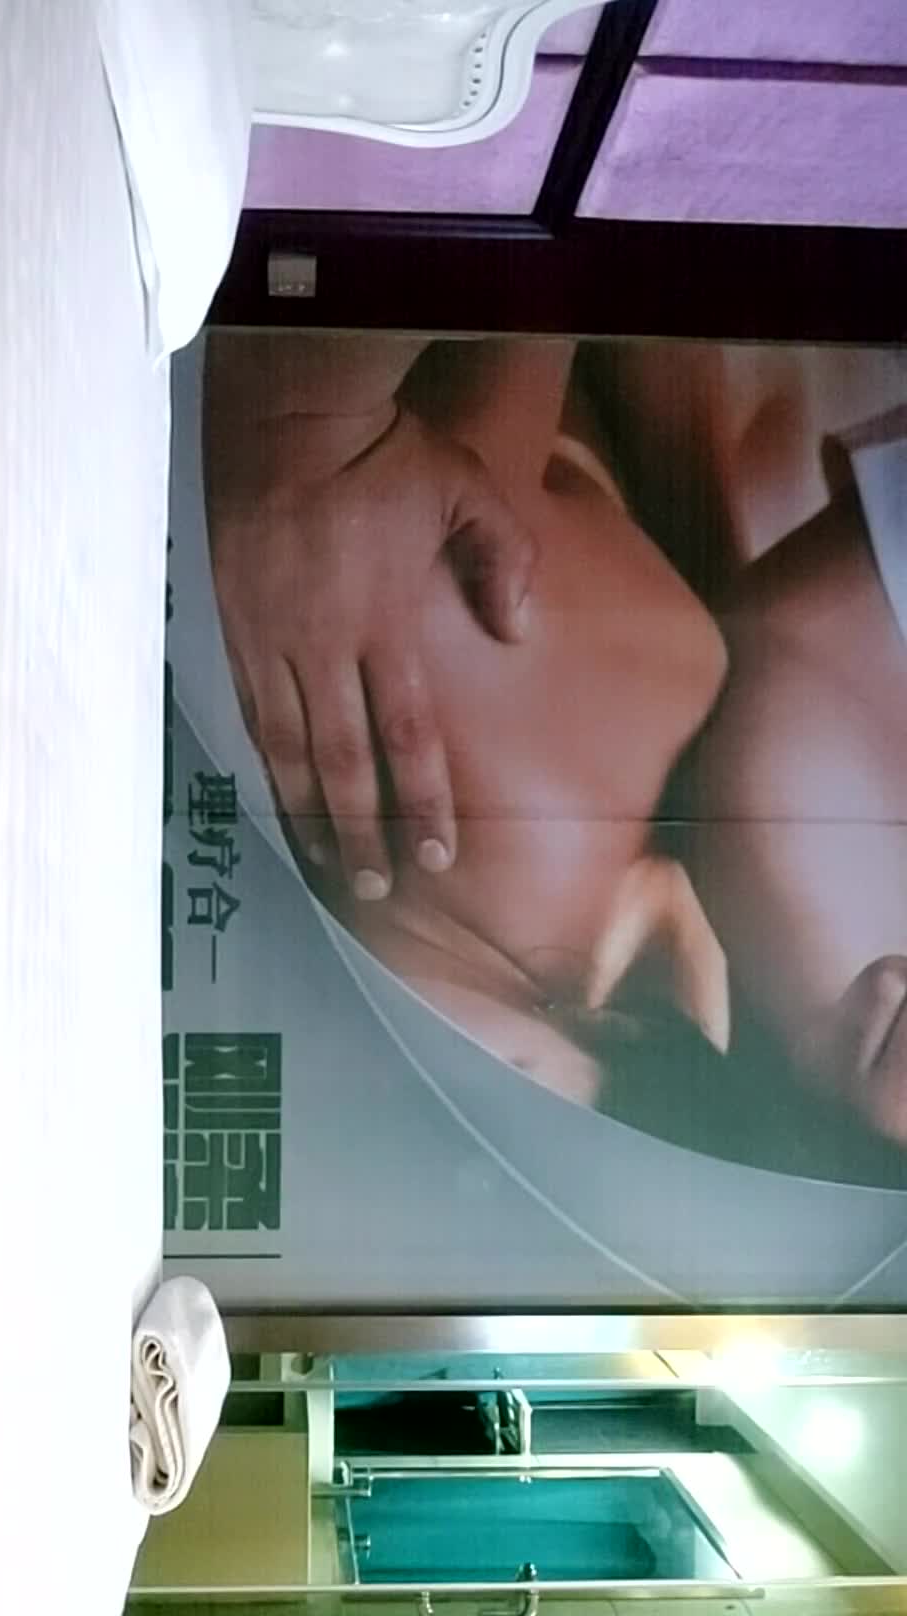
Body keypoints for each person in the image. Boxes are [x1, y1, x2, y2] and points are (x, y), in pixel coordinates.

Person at [203, 332, 907, 1172]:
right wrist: (309, 431)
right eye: (500, 1101)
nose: (414, 1092)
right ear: (604, 1036)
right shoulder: (479, 805)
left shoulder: (467, 856)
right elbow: (530, 292)